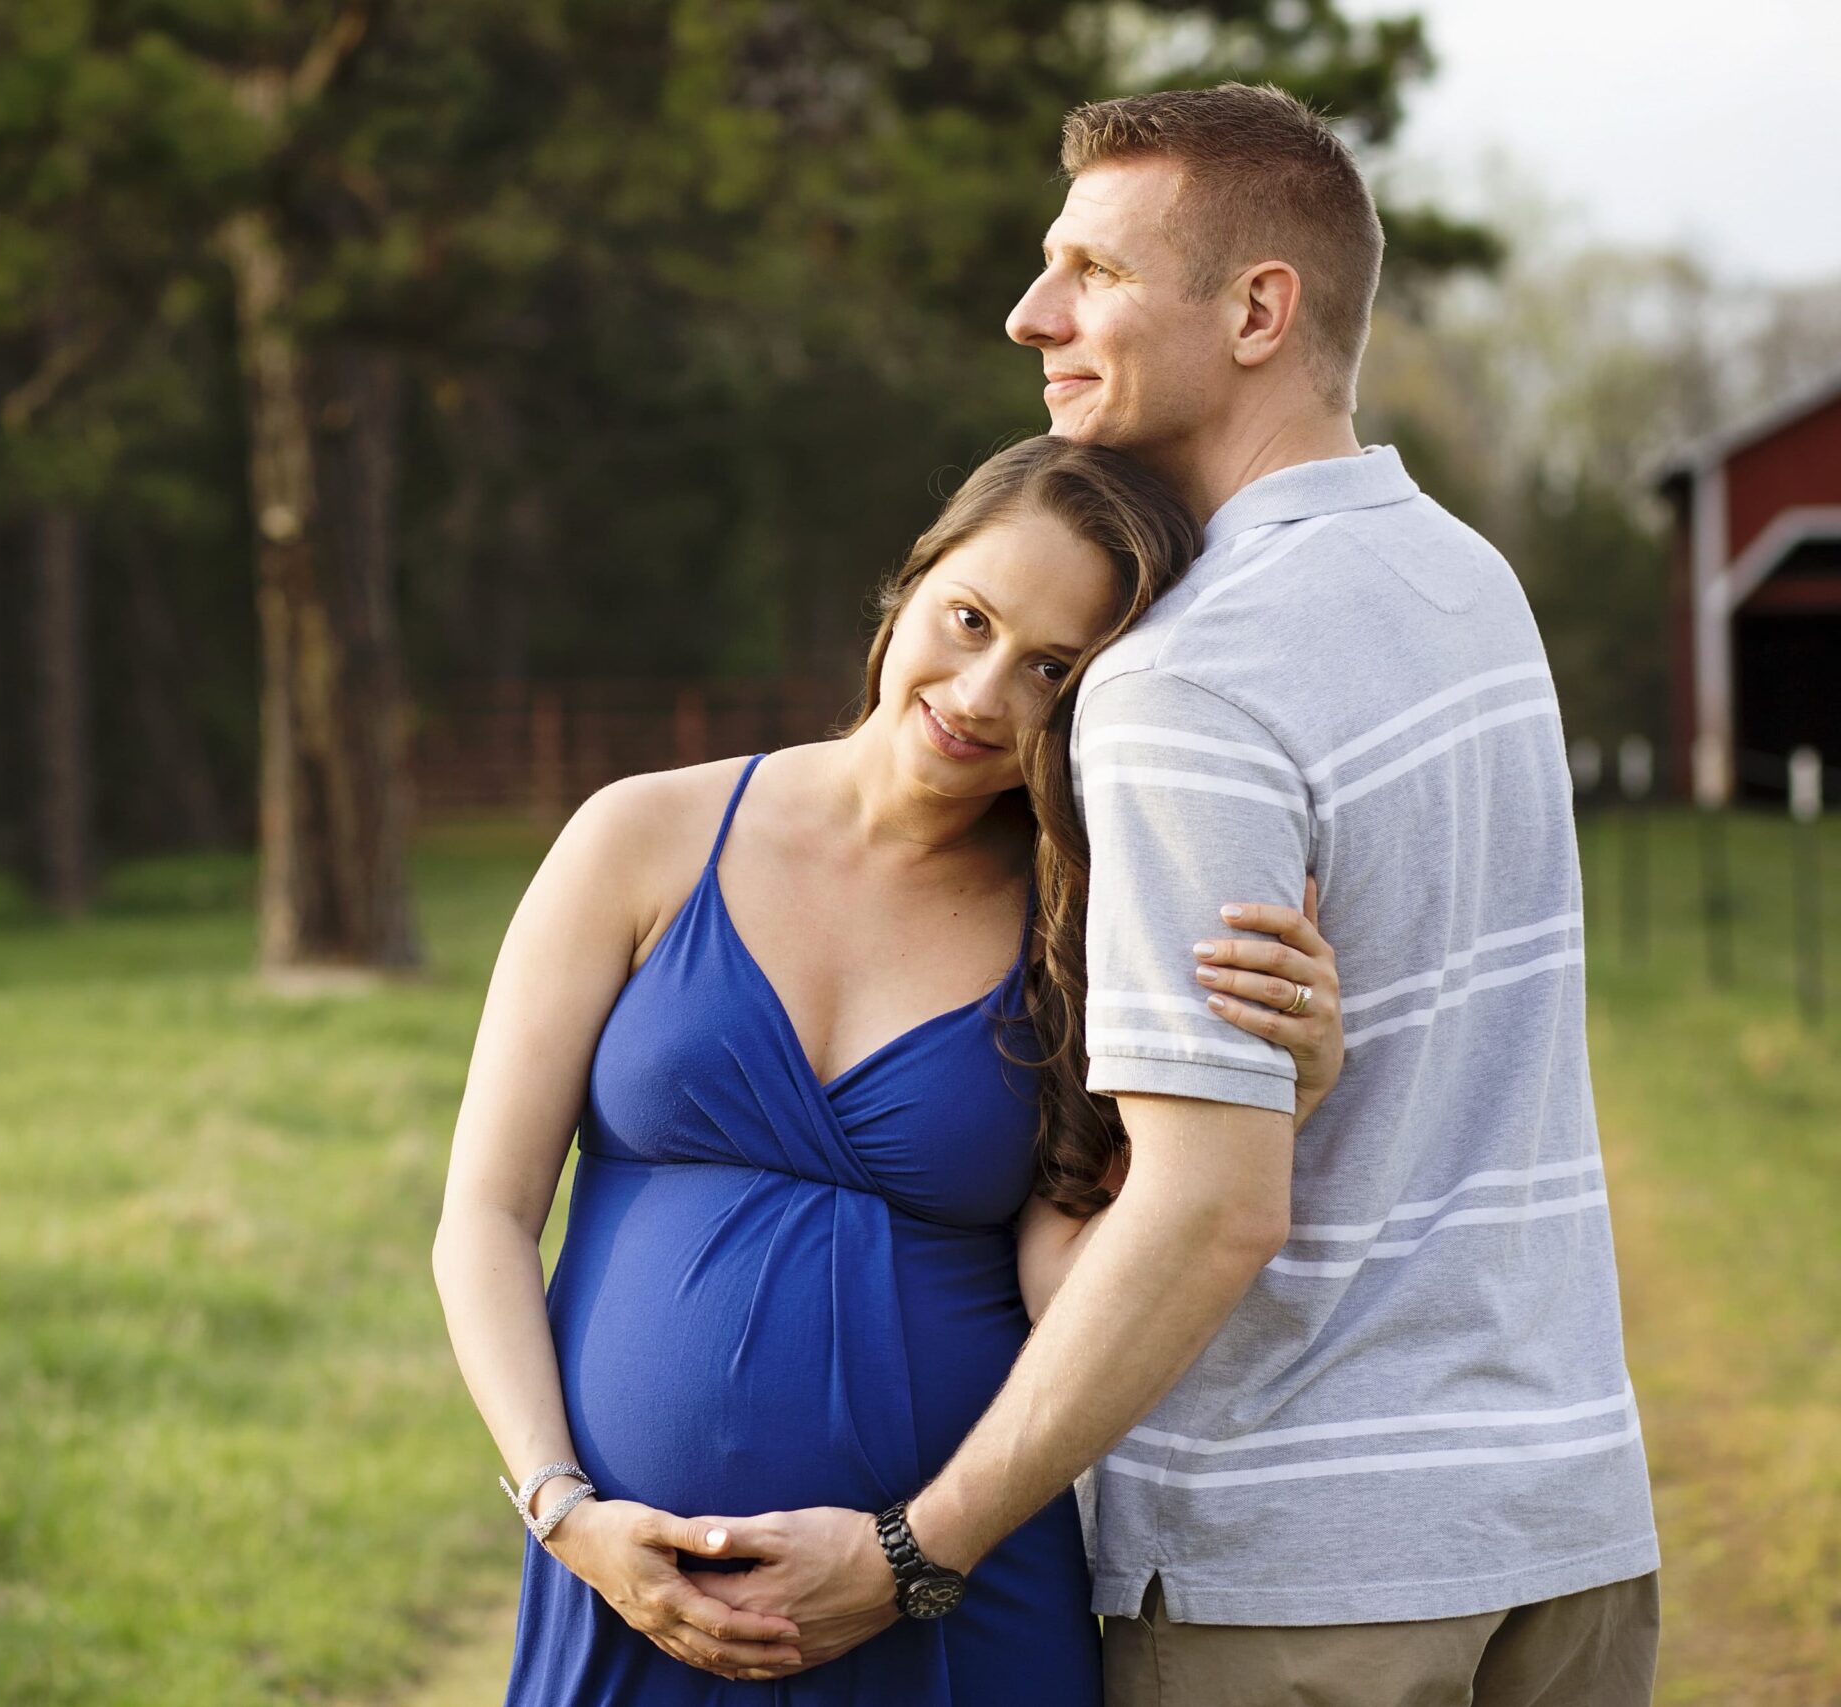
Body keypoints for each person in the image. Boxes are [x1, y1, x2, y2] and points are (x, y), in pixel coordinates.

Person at [679, 84, 1662, 1707]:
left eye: (1093, 272)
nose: (1030, 313)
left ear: (1258, 310)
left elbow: (1212, 1204)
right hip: (1565, 1527)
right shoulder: (1469, 580)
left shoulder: (1188, 677)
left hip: (1304, 1578)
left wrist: (921, 1548)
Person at [432, 433, 1346, 1703]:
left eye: (1049, 668)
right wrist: (563, 1508)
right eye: (967, 619)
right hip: (629, 1599)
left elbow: (1070, 1288)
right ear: (907, 587)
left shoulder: (1079, 934)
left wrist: (1276, 1103)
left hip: (944, 1613)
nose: (979, 695)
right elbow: (483, 1213)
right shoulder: (637, 837)